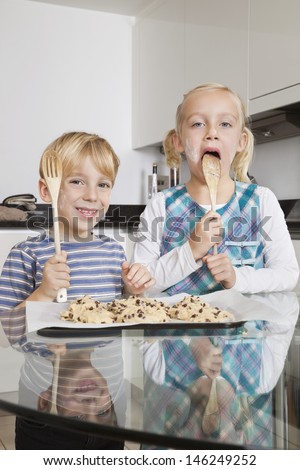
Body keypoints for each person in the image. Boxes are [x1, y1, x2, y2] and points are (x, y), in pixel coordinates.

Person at [132, 83, 299, 295]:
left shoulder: (261, 201)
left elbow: (287, 275)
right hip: (177, 327)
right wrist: (191, 250)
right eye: (198, 124)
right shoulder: (161, 205)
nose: (212, 133)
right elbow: (140, 285)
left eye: (225, 124)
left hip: (248, 328)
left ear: (241, 141)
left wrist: (237, 278)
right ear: (179, 141)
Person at [0, 131, 155, 310]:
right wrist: (44, 293)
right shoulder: (27, 255)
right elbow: (6, 327)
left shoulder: (114, 252)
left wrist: (133, 291)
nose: (92, 196)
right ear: (46, 190)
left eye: (103, 185)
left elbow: (121, 314)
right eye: (77, 182)